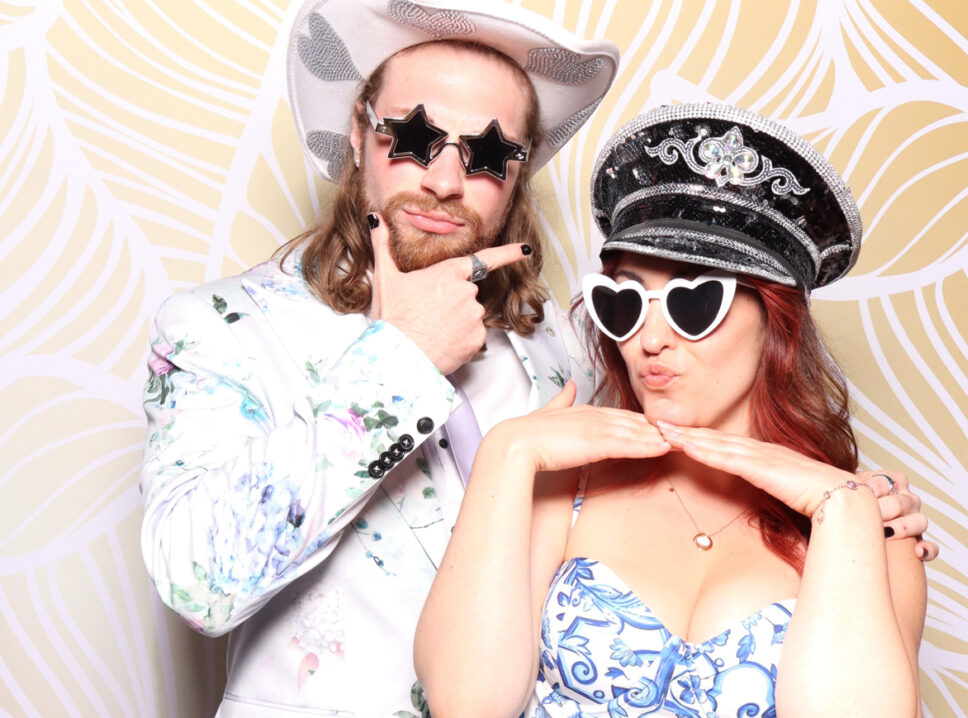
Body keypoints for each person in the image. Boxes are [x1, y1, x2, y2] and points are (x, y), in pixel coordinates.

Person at [139, 1, 619, 715]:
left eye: (487, 155)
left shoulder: (567, 350)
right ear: (361, 133)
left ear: (516, 175)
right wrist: (403, 359)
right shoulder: (220, 328)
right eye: (418, 137)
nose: (446, 181)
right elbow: (196, 582)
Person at [414, 103, 928, 717]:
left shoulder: (872, 529)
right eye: (627, 301)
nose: (650, 339)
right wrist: (508, 452)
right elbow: (465, 706)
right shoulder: (561, 488)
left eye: (693, 301)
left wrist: (841, 508)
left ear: (776, 324)